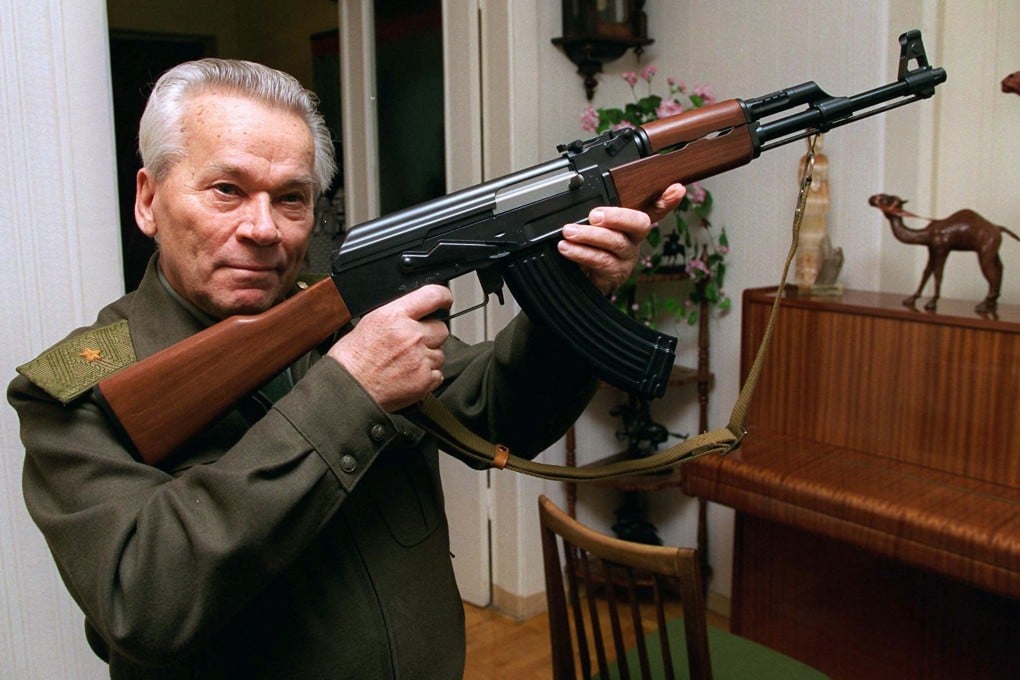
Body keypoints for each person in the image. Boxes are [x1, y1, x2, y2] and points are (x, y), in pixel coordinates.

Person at [8, 59, 684, 679]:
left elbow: (499, 416)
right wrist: (348, 392)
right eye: (226, 190)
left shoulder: (341, 313)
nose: (264, 228)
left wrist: (575, 293)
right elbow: (141, 602)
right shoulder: (78, 386)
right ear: (149, 200)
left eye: (292, 198)